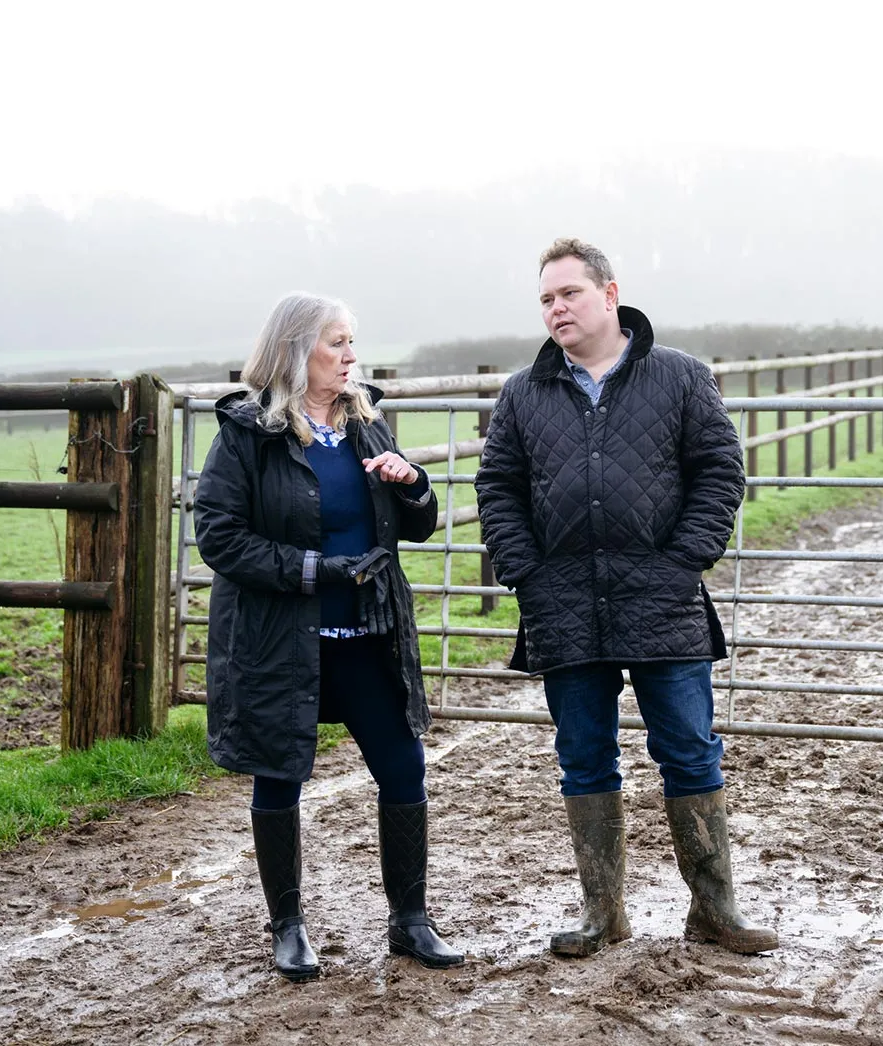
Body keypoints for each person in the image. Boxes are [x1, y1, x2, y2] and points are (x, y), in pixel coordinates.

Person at [475, 238, 778, 956]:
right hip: (564, 604)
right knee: (583, 757)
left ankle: (715, 910)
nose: (557, 309)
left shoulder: (678, 376)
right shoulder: (523, 392)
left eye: (569, 294)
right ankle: (601, 912)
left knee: (690, 752)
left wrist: (685, 560)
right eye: (546, 298)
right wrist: (527, 572)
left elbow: (719, 469)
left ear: (610, 295)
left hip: (662, 598)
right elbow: (498, 489)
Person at [195, 292, 464, 979]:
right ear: (295, 350)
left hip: (368, 631)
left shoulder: (367, 421)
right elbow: (220, 539)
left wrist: (413, 485)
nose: (351, 356)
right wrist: (315, 570)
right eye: (336, 343)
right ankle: (287, 928)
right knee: (280, 776)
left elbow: (417, 522)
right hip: (283, 639)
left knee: (402, 768)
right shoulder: (250, 434)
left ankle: (410, 921)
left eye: (353, 343)